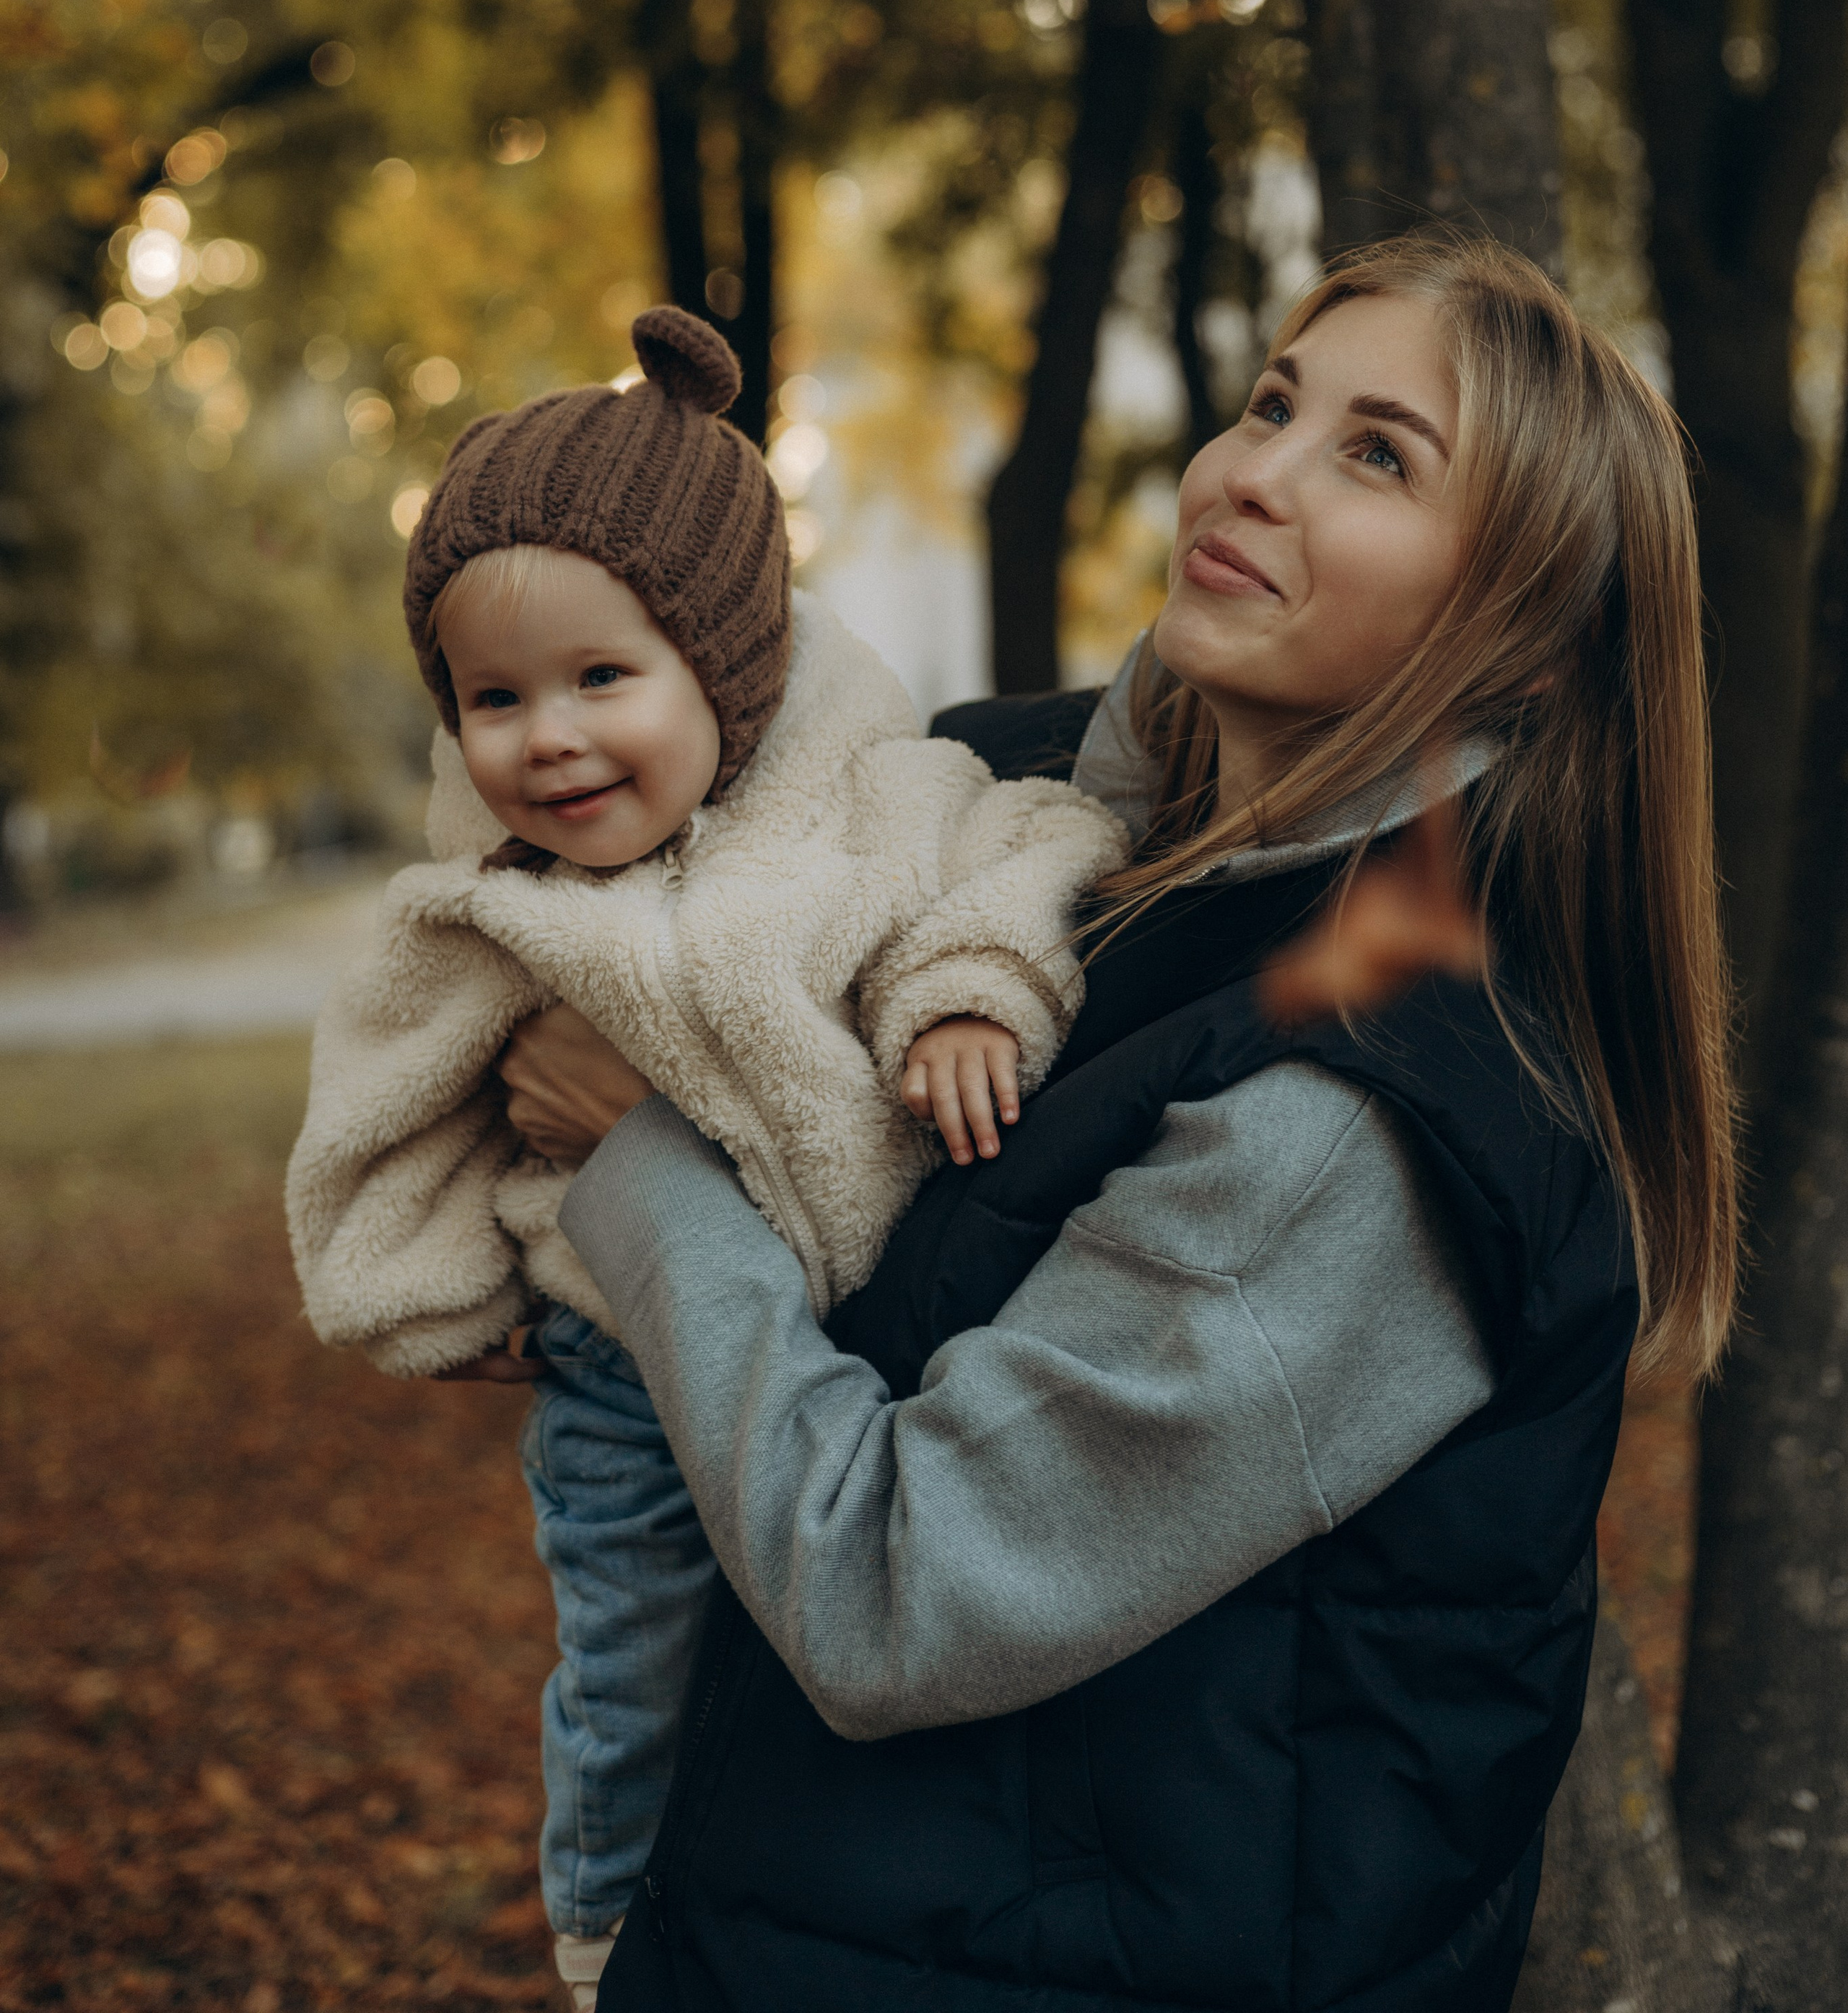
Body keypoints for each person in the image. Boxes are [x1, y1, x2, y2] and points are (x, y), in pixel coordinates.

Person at [491, 230, 1740, 2013]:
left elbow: (891, 1590)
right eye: (1273, 404)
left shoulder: (1363, 1111)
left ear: (1524, 650)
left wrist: (638, 1174)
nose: (1253, 473)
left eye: (1375, 456)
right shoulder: (991, 803)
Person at [284, 303, 1123, 2012]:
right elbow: (385, 1102)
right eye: (494, 699)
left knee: (832, 1673)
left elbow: (1032, 846)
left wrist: (967, 1002)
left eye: (602, 678)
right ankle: (608, 1930)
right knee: (637, 1659)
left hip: (868, 1327)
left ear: (723, 669)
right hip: (618, 1366)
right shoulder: (492, 915)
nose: (548, 737)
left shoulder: (862, 813)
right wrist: (428, 1297)